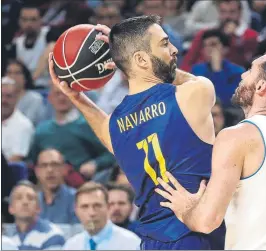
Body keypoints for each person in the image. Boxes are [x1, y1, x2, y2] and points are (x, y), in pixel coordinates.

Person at [48, 15, 225, 250]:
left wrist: (75, 96)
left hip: (151, 241)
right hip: (194, 236)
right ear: (141, 59)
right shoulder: (193, 94)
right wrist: (125, 50)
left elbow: (101, 126)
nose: (173, 49)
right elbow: (190, 80)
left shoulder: (115, 126)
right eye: (164, 44)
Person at [155, 48, 266, 249]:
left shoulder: (238, 136)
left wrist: (187, 208)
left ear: (260, 86)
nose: (242, 75)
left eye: (250, 70)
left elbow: (205, 221)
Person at [63, 182, 141, 250]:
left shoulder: (131, 244)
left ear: (108, 207)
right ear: (76, 210)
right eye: (85, 206)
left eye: (97, 206)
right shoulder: (71, 246)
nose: (91, 213)